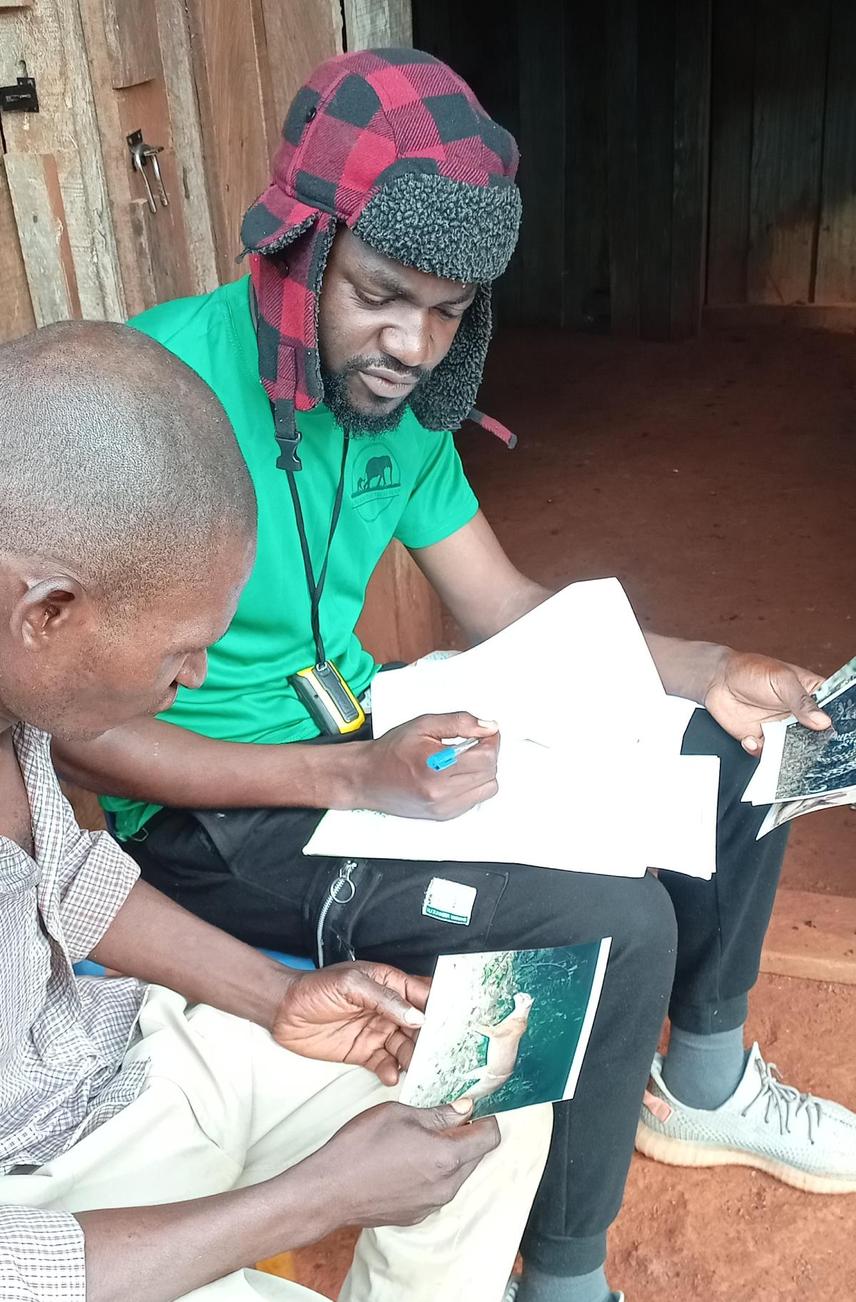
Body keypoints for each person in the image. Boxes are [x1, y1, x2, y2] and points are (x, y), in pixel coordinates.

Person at [54, 49, 856, 1302]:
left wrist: (709, 667)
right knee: (606, 921)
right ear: (299, 255)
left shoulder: (395, 410)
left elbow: (510, 607)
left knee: (736, 744)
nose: (414, 345)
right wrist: (348, 773)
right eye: (382, 294)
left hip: (374, 742)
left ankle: (700, 1082)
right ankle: (563, 1272)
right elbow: (78, 737)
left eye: (449, 309)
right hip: (218, 819)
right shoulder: (153, 410)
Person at [0, 321, 551, 1302]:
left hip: (112, 1069)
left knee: (489, 1087)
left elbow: (69, 881)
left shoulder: (24, 691)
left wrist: (276, 999)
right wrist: (314, 1198)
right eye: (182, 647)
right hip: (31, 1225)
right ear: (46, 612)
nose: (200, 675)